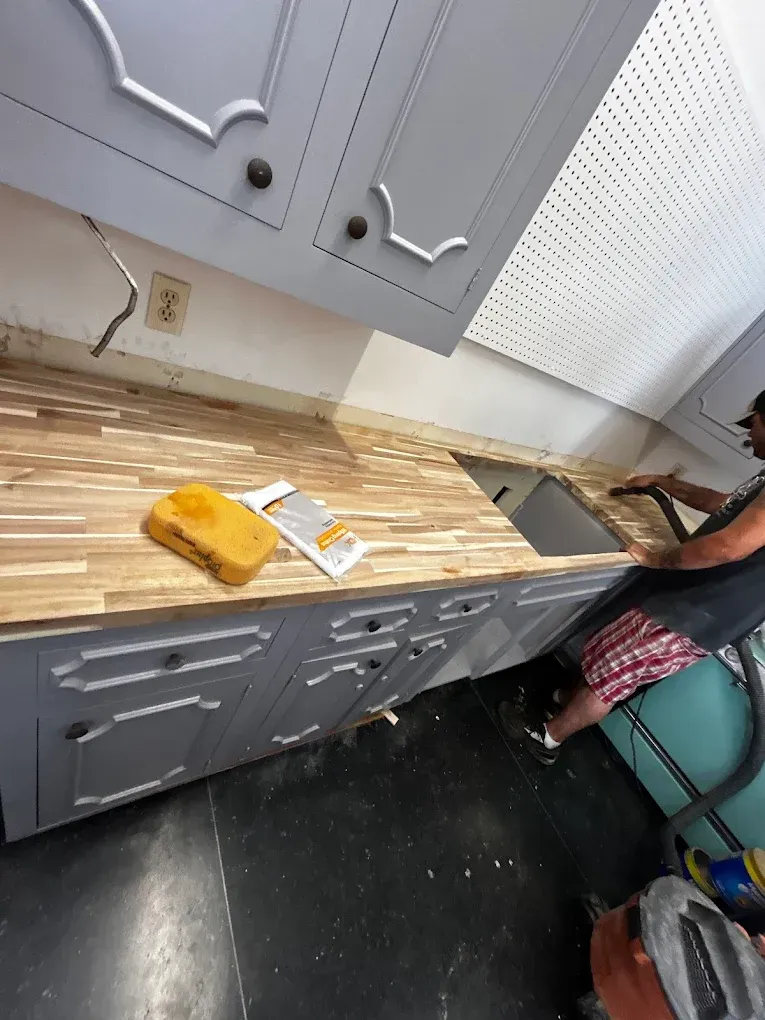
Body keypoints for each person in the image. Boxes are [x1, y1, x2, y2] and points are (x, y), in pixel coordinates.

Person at [499, 390, 765, 766]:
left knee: (611, 675)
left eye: (753, 424)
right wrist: (663, 483)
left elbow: (727, 547)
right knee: (609, 657)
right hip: (698, 606)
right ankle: (562, 701)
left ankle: (548, 738)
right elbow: (725, 505)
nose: (748, 435)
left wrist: (656, 558)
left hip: (699, 612)